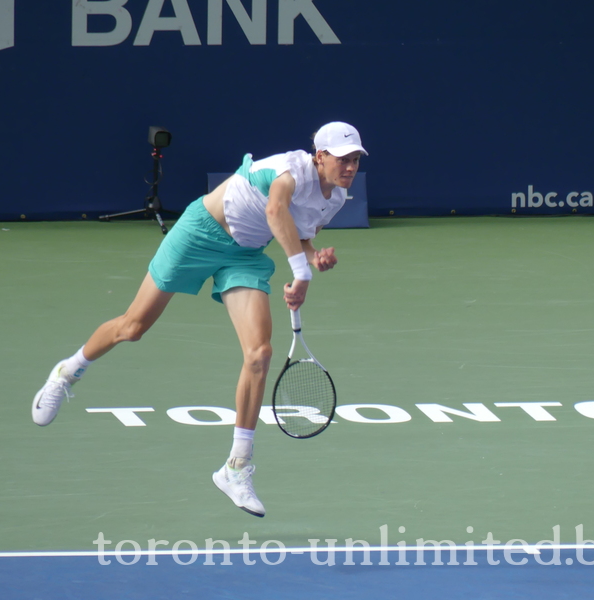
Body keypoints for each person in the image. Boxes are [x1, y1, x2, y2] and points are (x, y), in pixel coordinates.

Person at [31, 121, 367, 517]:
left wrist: (313, 256)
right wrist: (302, 272)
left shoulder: (337, 198)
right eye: (343, 158)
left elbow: (301, 232)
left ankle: (236, 467)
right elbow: (276, 210)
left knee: (259, 354)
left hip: (243, 255)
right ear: (320, 155)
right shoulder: (290, 169)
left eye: (356, 159)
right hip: (200, 233)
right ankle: (68, 372)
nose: (350, 166)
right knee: (133, 327)